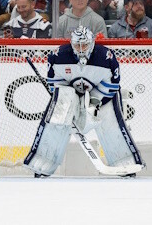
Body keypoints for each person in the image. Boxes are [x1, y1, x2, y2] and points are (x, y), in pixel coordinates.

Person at [24, 26, 143, 178]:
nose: (81, 49)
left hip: (100, 94)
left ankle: (125, 161)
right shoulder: (58, 56)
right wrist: (69, 102)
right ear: (71, 43)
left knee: (109, 118)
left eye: (85, 45)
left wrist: (93, 102)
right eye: (77, 45)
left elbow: (111, 85)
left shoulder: (105, 57)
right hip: (70, 90)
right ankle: (42, 161)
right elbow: (56, 85)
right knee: (58, 113)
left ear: (92, 43)